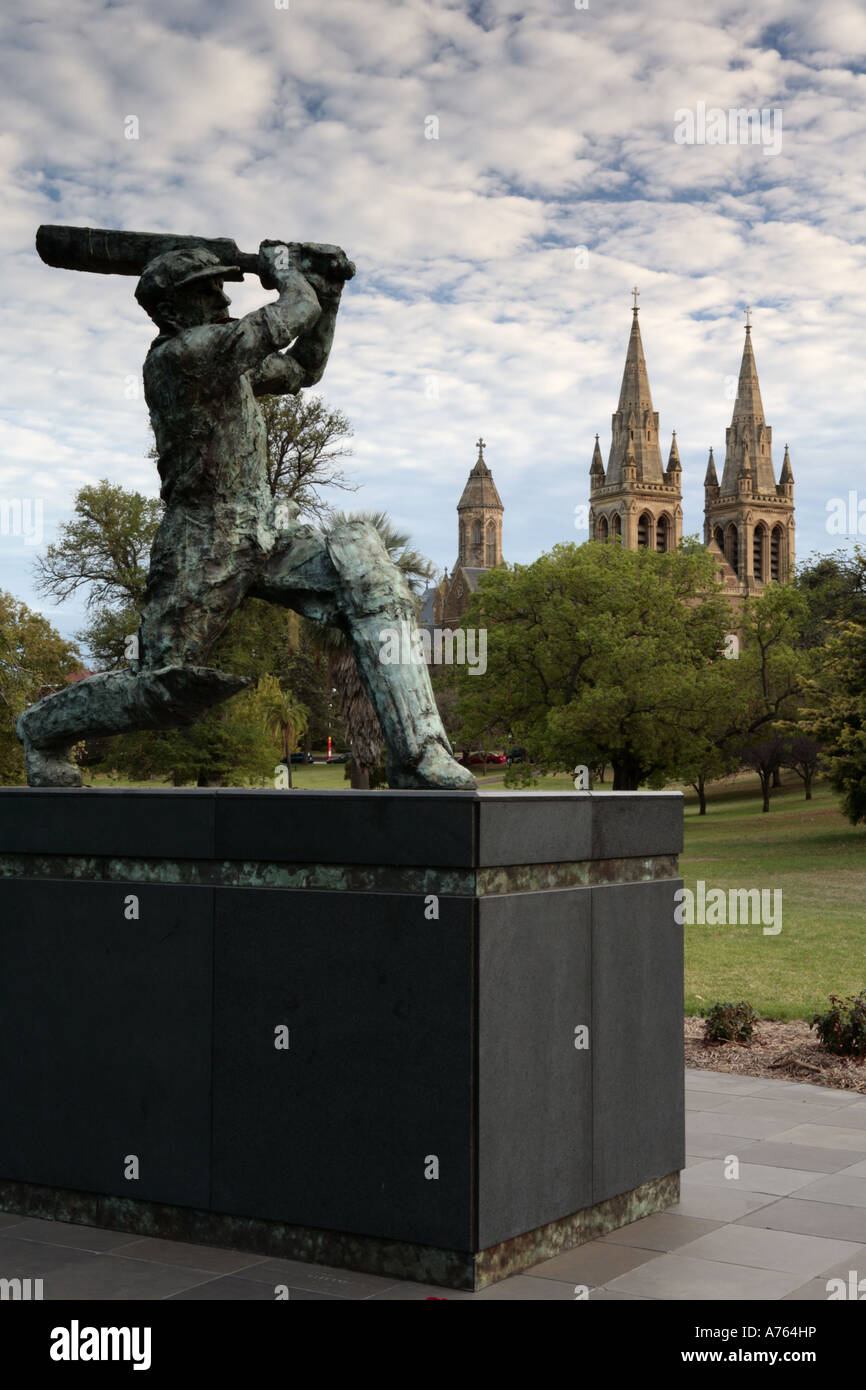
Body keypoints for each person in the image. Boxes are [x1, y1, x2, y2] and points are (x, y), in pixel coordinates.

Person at [17, 241, 475, 791]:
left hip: (265, 528)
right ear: (171, 311)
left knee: (371, 575)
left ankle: (420, 754)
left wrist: (328, 295)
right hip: (203, 540)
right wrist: (280, 265)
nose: (222, 298)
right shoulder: (183, 358)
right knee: (161, 690)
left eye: (222, 286)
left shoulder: (228, 366)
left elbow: (306, 365)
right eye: (207, 291)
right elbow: (289, 316)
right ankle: (42, 729)